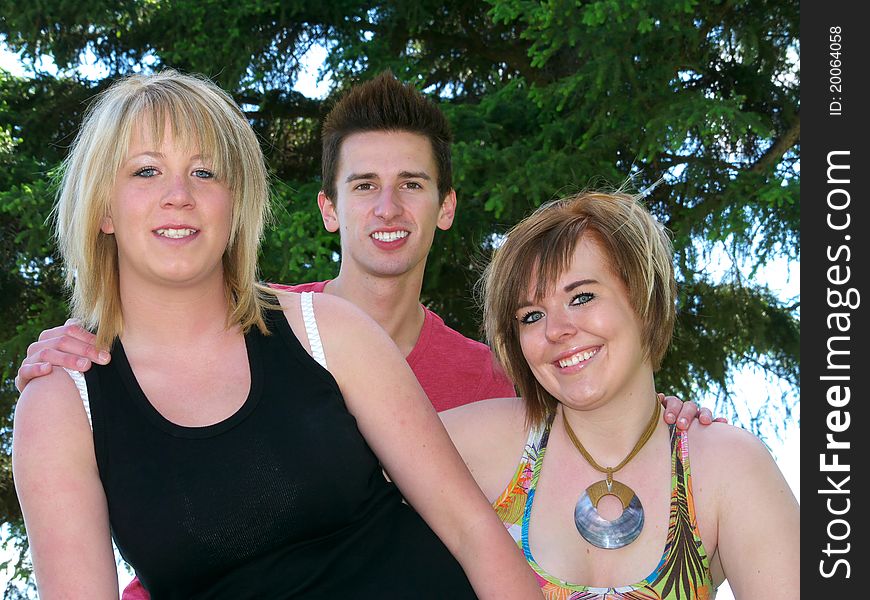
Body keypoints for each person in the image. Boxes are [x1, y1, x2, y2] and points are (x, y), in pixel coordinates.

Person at [11, 70, 544, 598]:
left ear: (235, 204)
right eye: (146, 171)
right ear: (103, 206)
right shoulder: (62, 402)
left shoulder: (326, 331)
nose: (179, 195)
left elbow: (472, 530)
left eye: (205, 173)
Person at [14, 72, 712, 428]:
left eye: (411, 185)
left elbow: (592, 439)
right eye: (363, 186)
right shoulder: (249, 333)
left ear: (445, 209)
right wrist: (81, 346)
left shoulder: (495, 385)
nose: (387, 208)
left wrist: (662, 415)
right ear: (327, 209)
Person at [439, 191, 800, 598]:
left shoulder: (724, 465)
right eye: (532, 316)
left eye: (582, 297)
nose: (556, 329)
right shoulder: (486, 440)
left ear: (644, 299)